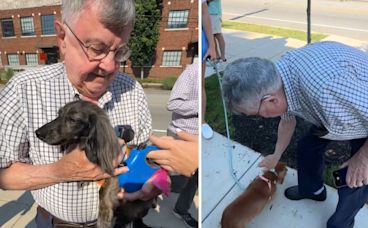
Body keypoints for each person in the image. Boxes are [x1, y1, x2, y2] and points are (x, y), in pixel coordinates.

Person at [0, 0, 158, 226]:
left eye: (120, 51)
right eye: (97, 48)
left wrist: (148, 183)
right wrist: (59, 172)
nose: (111, 65)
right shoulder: (24, 89)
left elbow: (145, 157)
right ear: (62, 37)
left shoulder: (132, 90)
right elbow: (3, 174)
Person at [221, 41, 368, 228]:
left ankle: (341, 224)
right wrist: (276, 155)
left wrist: (364, 157)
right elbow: (287, 119)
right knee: (307, 147)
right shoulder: (279, 79)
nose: (260, 118)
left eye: (256, 114)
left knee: (353, 178)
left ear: (271, 100)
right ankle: (313, 190)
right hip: (344, 108)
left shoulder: (328, 88)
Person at [165, 64, 199, 227]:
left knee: (195, 180)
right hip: (181, 135)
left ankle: (181, 210)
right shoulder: (192, 72)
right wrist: (200, 104)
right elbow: (172, 104)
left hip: (200, 138)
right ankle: (146, 197)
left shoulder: (206, 70)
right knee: (176, 183)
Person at [201, 0, 217, 139]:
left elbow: (205, 14)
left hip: (201, 42)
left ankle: (202, 121)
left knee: (200, 85)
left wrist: (212, 46)